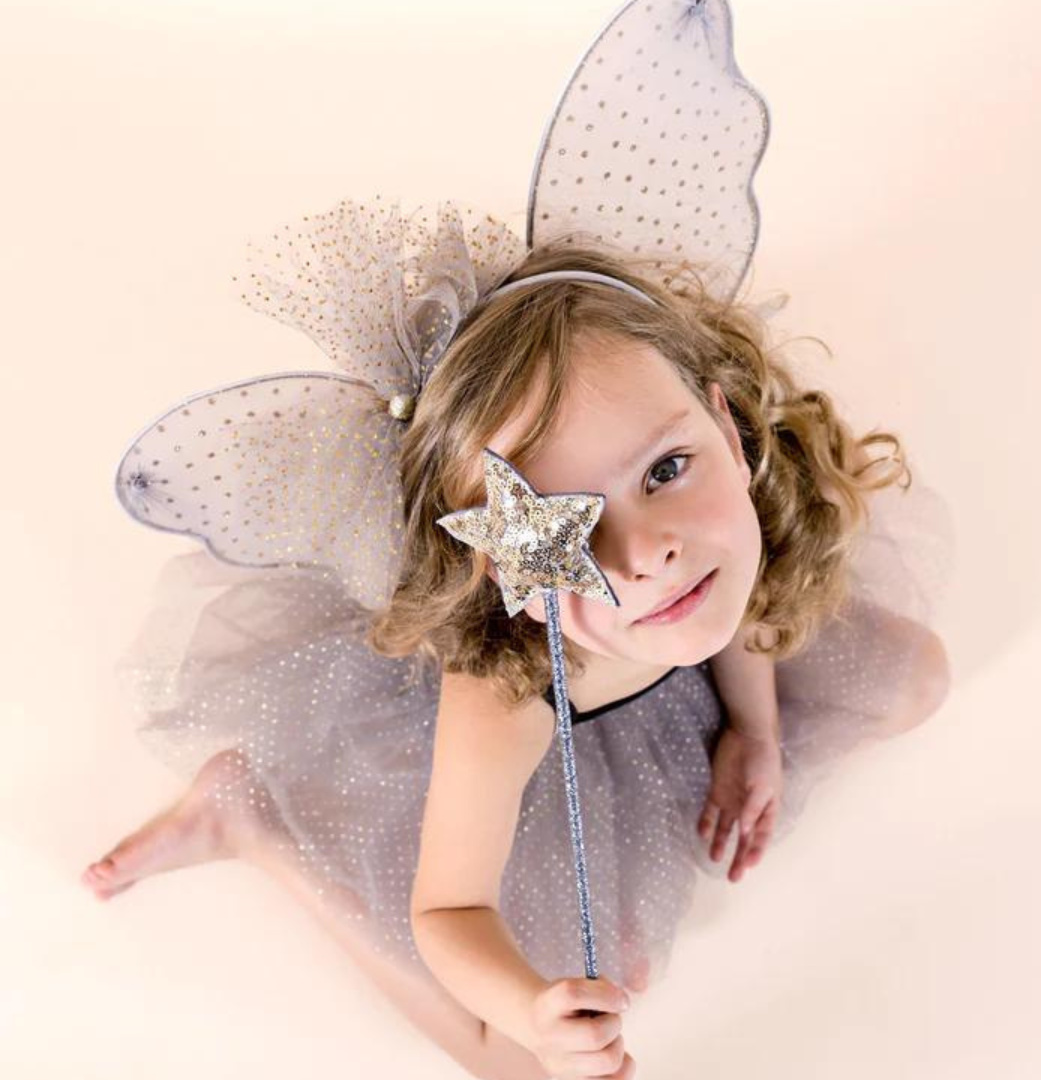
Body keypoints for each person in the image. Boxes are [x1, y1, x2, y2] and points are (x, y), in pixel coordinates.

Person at [80, 234, 953, 1080]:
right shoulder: (502, 699)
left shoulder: (724, 526)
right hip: (531, 744)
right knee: (535, 1070)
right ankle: (248, 817)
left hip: (666, 672)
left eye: (663, 470)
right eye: (579, 531)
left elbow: (746, 613)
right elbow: (448, 910)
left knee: (914, 678)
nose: (649, 554)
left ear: (723, 425)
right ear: (502, 570)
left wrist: (754, 733)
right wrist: (533, 1009)